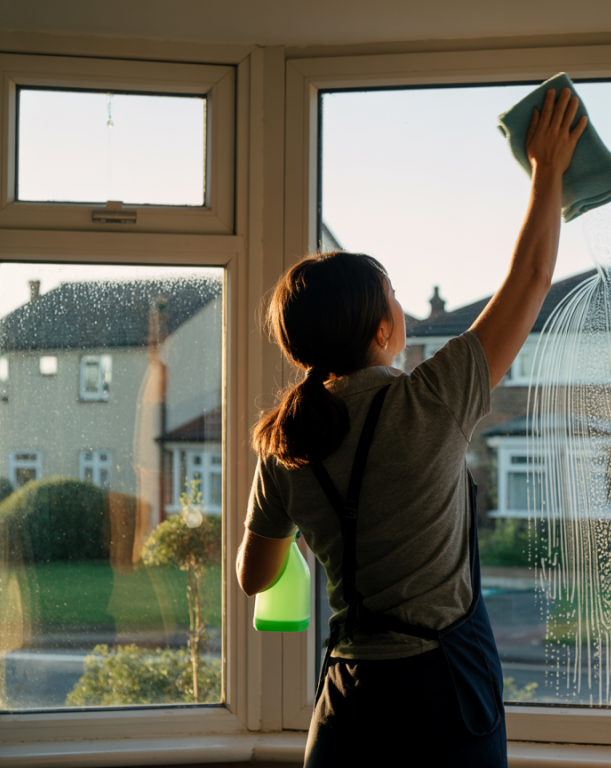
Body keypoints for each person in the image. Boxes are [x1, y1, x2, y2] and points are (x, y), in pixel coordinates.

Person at [237, 87, 587, 767]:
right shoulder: (432, 399)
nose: (401, 304)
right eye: (394, 294)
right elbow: (532, 278)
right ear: (381, 329)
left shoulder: (286, 443)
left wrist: (320, 527)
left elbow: (256, 577)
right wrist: (548, 168)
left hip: (347, 701)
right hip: (442, 696)